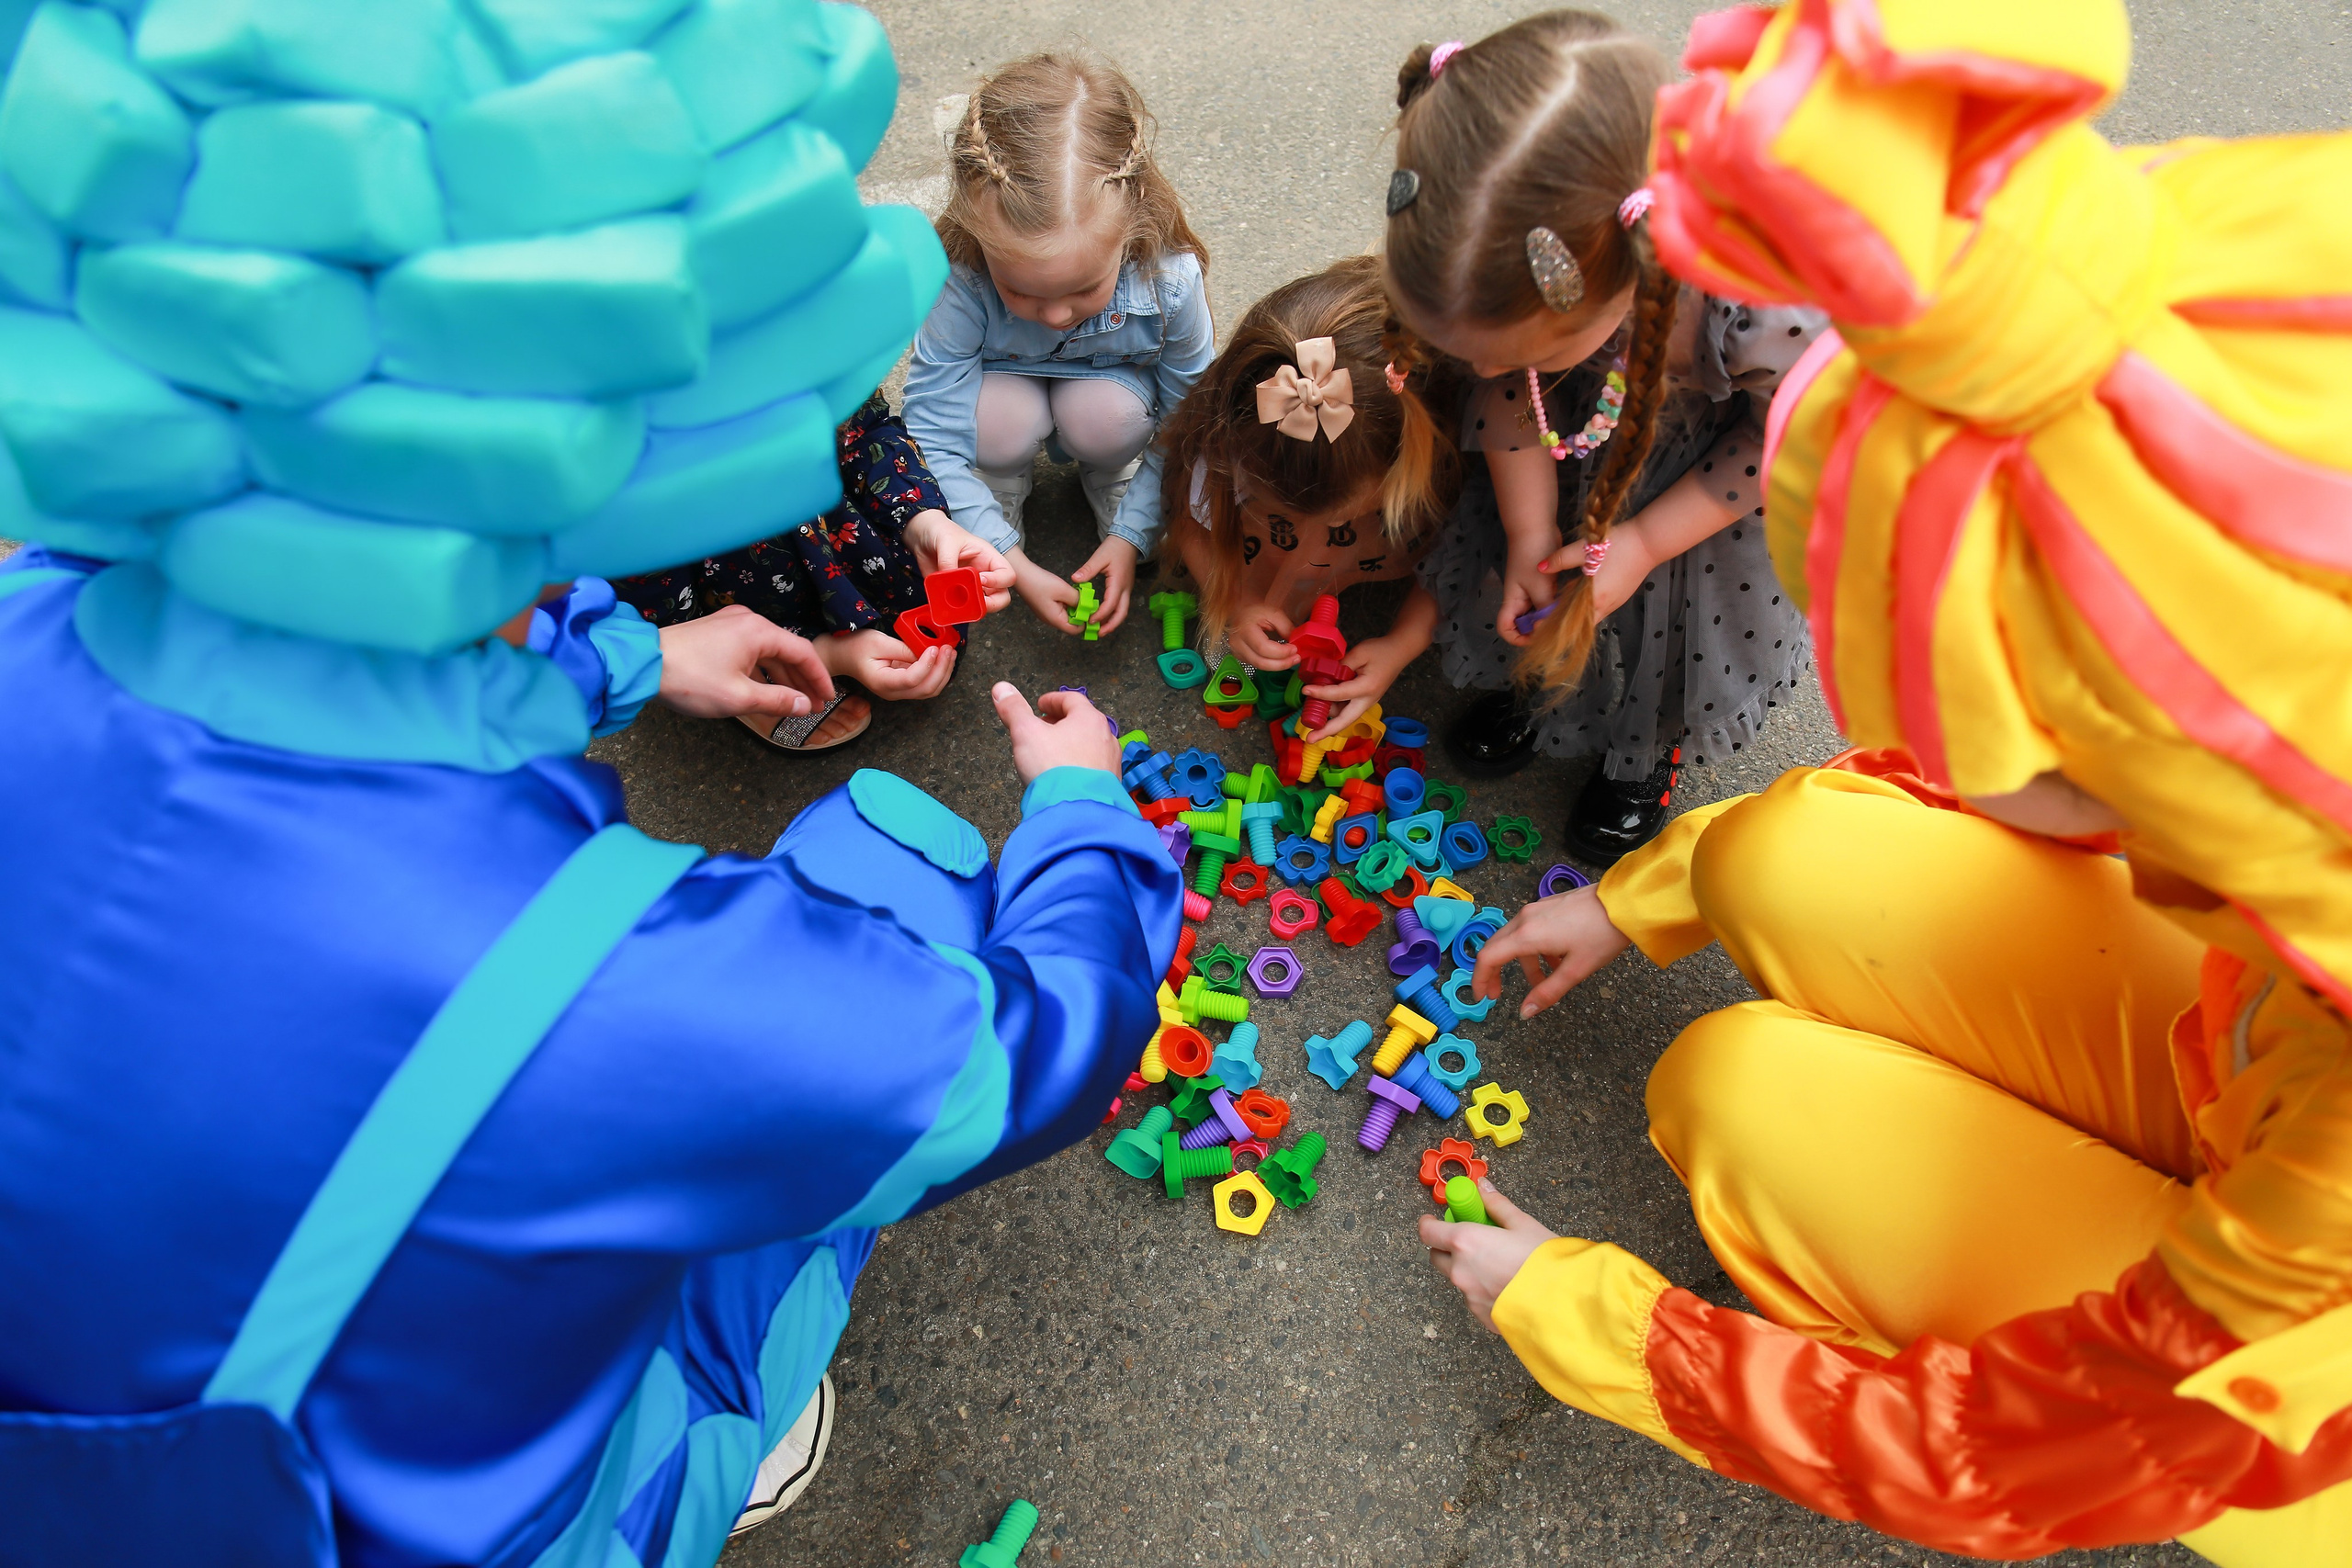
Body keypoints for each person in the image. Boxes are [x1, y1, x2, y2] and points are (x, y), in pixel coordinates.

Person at [1419, 2, 2352, 1562]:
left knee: (1729, 1093)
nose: (1969, 781)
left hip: (2283, 1347)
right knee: (1786, 855)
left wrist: (1604, 1322)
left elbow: (2013, 1450)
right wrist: (1650, 892)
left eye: (2038, 751)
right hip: (2257, 1025)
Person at [1383, 14, 1825, 863]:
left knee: (1667, 633)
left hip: (1706, 502)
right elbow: (1507, 383)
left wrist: (1647, 540)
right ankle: (1543, 686)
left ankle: (1640, 757)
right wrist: (1528, 530)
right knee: (1527, 587)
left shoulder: (1763, 304)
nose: (1484, 365)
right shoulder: (1491, 250)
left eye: (1527, 350)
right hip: (1565, 449)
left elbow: (1783, 443)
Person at [904, 50, 1216, 639]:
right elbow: (932, 436)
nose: (1052, 315)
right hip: (1002, 391)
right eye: (1018, 289)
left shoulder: (1170, 279)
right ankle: (996, 483)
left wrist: (1133, 533)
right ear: (978, 234)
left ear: (1133, 227)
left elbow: (1189, 419)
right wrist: (1011, 562)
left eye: (1084, 288)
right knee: (993, 424)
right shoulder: (959, 277)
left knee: (1111, 420)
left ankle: (1113, 470)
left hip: (1107, 393)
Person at [1159, 254, 1463, 739]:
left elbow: (1459, 560)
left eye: (1348, 513)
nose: (1310, 533)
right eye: (1281, 509)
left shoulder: (1442, 462)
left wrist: (1401, 646)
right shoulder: (1230, 444)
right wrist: (1237, 601)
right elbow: (1190, 520)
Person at [612, 391, 1013, 752]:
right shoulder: (634, 471)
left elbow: (869, 430)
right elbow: (662, 609)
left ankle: (847, 629)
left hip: (841, 539)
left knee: (920, 638)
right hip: (730, 590)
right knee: (702, 649)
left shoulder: (800, 348)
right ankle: (762, 673)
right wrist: (831, 655)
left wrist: (923, 521)